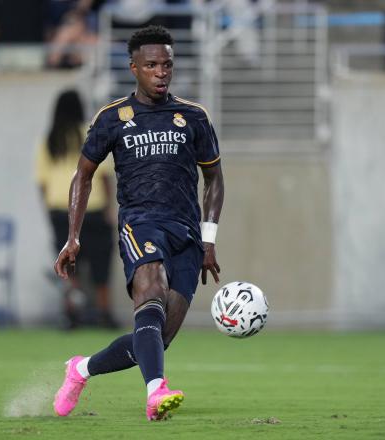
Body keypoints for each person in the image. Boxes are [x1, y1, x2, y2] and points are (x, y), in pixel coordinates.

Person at [52, 25, 224, 421]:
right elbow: (83, 175)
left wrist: (208, 239)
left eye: (167, 64)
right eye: (151, 65)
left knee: (156, 338)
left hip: (186, 233)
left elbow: (215, 178)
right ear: (134, 68)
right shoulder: (112, 118)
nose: (161, 72)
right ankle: (155, 392)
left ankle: (80, 369)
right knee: (150, 294)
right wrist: (72, 237)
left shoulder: (193, 117)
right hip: (140, 223)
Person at [36, 88, 117, 329]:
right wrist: (110, 206)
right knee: (101, 263)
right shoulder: (89, 134)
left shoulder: (48, 140)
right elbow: (103, 175)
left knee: (69, 266)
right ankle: (104, 313)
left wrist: (49, 211)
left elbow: (42, 182)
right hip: (92, 208)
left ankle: (71, 314)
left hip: (60, 210)